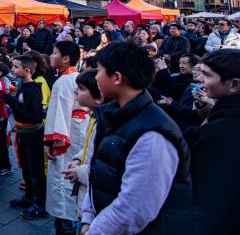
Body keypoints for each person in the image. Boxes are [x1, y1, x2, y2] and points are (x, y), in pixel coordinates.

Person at [80, 42, 193, 235]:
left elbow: (134, 210)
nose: (95, 76)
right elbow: (98, 172)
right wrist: (88, 216)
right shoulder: (113, 115)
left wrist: (95, 230)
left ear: (116, 78)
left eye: (98, 71)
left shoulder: (153, 134)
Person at [186, 49, 240, 235]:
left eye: (207, 75)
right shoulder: (220, 119)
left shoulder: (219, 132)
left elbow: (209, 197)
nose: (200, 79)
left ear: (234, 85)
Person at [44, 41, 88, 235]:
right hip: (79, 129)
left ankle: (65, 227)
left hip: (67, 132)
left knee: (62, 181)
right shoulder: (77, 77)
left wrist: (54, 143)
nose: (51, 56)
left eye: (54, 53)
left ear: (66, 58)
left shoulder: (63, 82)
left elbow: (59, 114)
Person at [5, 56, 48, 220]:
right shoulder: (24, 87)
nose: (13, 69)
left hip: (33, 135)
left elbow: (30, 116)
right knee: (26, 166)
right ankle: (30, 196)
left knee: (35, 169)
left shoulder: (33, 89)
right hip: (24, 134)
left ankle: (40, 203)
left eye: (16, 67)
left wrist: (11, 100)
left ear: (27, 70)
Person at [61, 70, 103, 222]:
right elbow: (88, 147)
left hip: (92, 202)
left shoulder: (104, 124)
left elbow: (106, 171)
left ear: (99, 97)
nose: (75, 91)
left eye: (81, 88)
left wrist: (80, 171)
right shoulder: (95, 117)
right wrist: (79, 159)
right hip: (84, 196)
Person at [24, 50, 52, 117]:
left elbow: (43, 107)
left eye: (25, 62)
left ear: (35, 65)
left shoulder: (40, 82)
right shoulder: (28, 80)